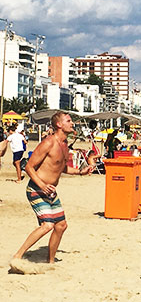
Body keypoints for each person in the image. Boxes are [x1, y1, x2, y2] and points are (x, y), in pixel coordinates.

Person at [13, 111, 92, 265]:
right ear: (59, 124)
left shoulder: (65, 145)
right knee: (48, 225)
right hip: (36, 189)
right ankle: (18, 256)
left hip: (50, 192)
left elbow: (61, 168)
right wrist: (42, 185)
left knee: (61, 225)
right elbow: (29, 167)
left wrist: (80, 172)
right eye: (68, 121)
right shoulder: (49, 142)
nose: (72, 123)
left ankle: (50, 262)